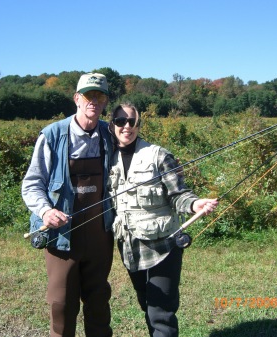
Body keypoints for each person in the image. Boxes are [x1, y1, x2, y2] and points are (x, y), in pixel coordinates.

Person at [107, 103, 219, 337]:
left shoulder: (159, 155)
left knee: (162, 312)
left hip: (164, 245)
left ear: (138, 124)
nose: (127, 126)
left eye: (133, 121)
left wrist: (194, 204)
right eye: (120, 121)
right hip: (130, 247)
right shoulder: (107, 158)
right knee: (146, 305)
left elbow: (179, 194)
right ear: (112, 125)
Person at [22, 73, 114, 337]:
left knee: (98, 304)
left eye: (100, 96)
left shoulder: (110, 134)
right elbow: (31, 184)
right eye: (88, 96)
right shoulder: (53, 135)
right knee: (61, 306)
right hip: (61, 238)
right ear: (77, 99)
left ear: (105, 101)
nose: (93, 101)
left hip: (100, 237)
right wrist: (45, 211)